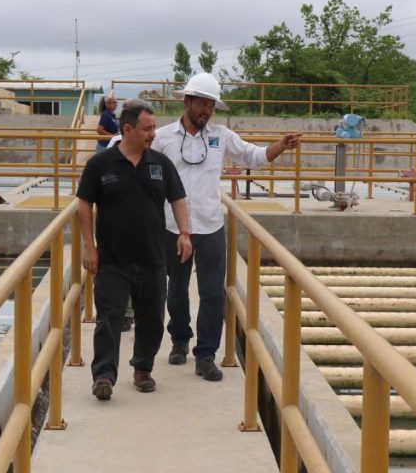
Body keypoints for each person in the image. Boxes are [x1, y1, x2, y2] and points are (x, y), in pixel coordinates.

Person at [152, 72, 301, 381]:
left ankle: (206, 355)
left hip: (210, 227)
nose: (207, 111)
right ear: (188, 102)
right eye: (203, 104)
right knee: (176, 289)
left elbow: (254, 156)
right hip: (172, 226)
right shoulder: (164, 137)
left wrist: (280, 146)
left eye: (212, 106)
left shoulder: (220, 135)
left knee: (212, 294)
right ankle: (180, 339)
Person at [77, 100, 193, 401]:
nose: (153, 133)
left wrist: (184, 233)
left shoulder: (159, 163)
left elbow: (178, 198)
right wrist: (89, 246)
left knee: (152, 318)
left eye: (154, 127)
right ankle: (103, 375)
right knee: (109, 318)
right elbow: (84, 204)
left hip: (153, 257)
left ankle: (143, 368)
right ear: (127, 130)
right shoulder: (100, 164)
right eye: (147, 128)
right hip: (113, 259)